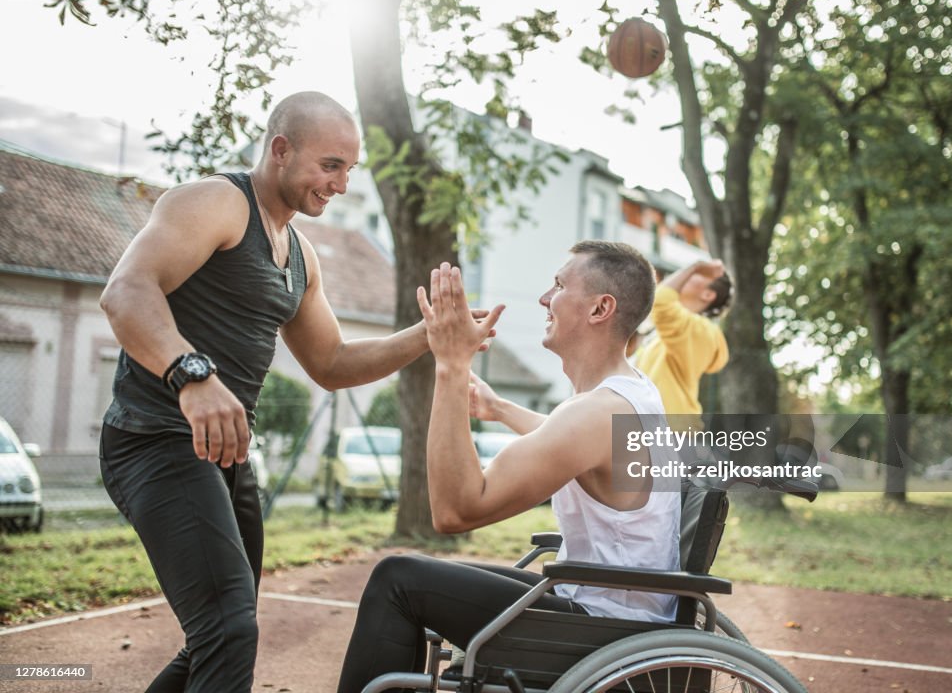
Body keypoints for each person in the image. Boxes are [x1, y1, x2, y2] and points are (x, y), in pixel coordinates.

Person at [98, 92, 439, 693]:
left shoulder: (302, 256)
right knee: (227, 631)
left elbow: (332, 363)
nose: (340, 184)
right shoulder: (216, 204)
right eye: (330, 165)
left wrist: (428, 334)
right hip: (154, 438)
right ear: (280, 150)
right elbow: (126, 291)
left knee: (224, 631)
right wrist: (191, 375)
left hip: (224, 455)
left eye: (349, 170)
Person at [337, 241, 681, 692]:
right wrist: (499, 408)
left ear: (600, 308)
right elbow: (575, 445)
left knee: (397, 580)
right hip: (623, 616)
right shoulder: (630, 395)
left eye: (558, 285)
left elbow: (456, 510)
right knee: (416, 577)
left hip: (604, 633)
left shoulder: (595, 413)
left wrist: (451, 366)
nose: (544, 298)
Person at [632, 258, 731, 414]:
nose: (683, 276)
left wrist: (695, 265)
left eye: (693, 276)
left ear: (707, 294)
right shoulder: (668, 331)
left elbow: (659, 300)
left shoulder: (703, 330)